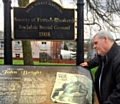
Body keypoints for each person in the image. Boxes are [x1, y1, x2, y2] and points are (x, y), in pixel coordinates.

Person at [80, 30, 120, 104]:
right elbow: (98, 59)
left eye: (96, 43)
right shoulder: (105, 57)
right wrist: (89, 64)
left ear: (105, 39)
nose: (94, 46)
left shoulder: (117, 60)